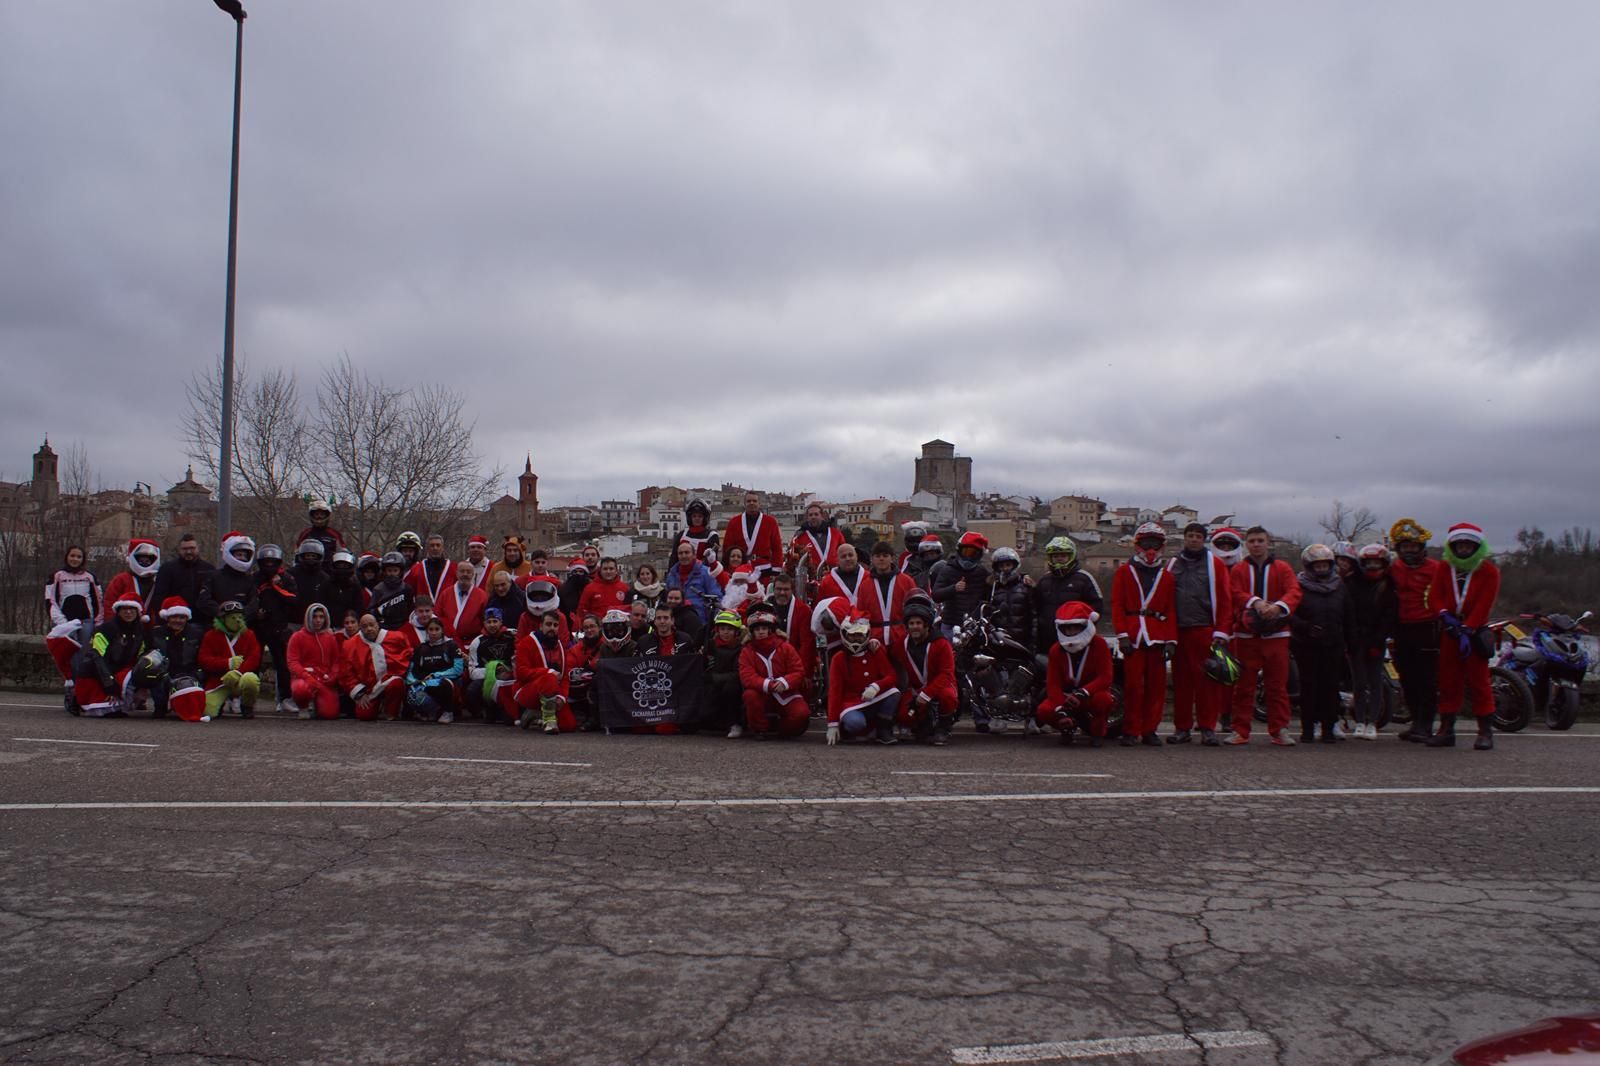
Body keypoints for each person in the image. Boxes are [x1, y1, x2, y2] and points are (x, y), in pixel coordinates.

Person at [1227, 526, 1302, 746]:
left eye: (1260, 540)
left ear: (1268, 543)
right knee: (1244, 685)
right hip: (1246, 635)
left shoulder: (1283, 568)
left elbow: (1294, 591)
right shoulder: (1239, 569)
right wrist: (1256, 602)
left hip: (1276, 634)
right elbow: (1234, 592)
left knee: (1277, 685)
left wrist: (1279, 607)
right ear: (1246, 544)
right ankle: (1240, 730)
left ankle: (1279, 730)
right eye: (1252, 541)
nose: (1256, 544)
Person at [1429, 523, 1501, 750]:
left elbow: (1484, 604)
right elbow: (1434, 596)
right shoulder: (1444, 567)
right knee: (1448, 681)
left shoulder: (1488, 571)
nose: (1463, 548)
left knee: (1479, 682)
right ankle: (1446, 729)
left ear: (1476, 546)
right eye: (1459, 544)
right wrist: (1444, 615)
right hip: (1450, 630)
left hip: (1474, 633)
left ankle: (1485, 731)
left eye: (1468, 545)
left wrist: (1468, 628)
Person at [1165, 523, 1233, 746]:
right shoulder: (1173, 564)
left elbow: (1225, 600)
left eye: (1198, 536)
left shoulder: (1215, 564)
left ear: (1204, 540)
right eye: (1190, 536)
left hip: (1205, 629)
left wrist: (1221, 631)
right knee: (1181, 683)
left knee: (1207, 683)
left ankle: (1207, 728)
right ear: (1184, 538)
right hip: (1179, 631)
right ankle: (1182, 728)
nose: (1193, 539)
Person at [1111, 523, 1177, 747]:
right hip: (1133, 635)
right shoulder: (1124, 572)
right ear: (1138, 545)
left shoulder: (1167, 577)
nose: (1151, 549)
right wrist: (1122, 635)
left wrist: (1171, 640)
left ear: (1162, 546)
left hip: (1158, 635)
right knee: (1133, 687)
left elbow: (1170, 611)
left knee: (1156, 688)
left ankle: (1150, 730)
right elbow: (1117, 605)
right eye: (1147, 543)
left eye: (1155, 544)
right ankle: (1130, 730)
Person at [1290, 545, 1356, 744]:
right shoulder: (1298, 586)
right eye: (1317, 566)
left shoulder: (1340, 586)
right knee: (1309, 687)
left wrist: (1351, 642)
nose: (1321, 569)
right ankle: (1308, 728)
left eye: (1324, 565)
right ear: (1309, 566)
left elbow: (1349, 615)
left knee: (1330, 687)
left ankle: (1329, 728)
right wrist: (1306, 627)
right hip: (1306, 644)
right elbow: (1290, 614)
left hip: (1333, 644)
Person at [1387, 518, 1442, 743]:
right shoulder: (1394, 568)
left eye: (1413, 547)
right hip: (1401, 627)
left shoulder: (1436, 568)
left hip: (1427, 627)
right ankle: (1415, 720)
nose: (1409, 551)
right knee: (1407, 677)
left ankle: (1426, 724)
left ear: (1421, 548)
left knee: (1426, 679)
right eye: (1405, 547)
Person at [1036, 602, 1116, 746]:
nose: (1071, 631)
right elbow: (1053, 684)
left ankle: (1097, 733)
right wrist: (1060, 709)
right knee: (1044, 710)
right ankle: (1067, 728)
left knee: (1104, 700)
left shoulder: (1099, 644)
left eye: (1075, 627)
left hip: (1090, 694)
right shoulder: (1056, 650)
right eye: (1067, 628)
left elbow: (1105, 677)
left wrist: (1084, 692)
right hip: (1067, 697)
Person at [826, 611, 900, 746]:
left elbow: (892, 676)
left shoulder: (875, 651)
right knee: (855, 723)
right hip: (851, 703)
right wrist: (833, 723)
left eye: (860, 635)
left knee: (894, 693)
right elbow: (835, 692)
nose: (856, 639)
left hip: (873, 698)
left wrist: (876, 686)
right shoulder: (839, 658)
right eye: (852, 635)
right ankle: (846, 728)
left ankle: (882, 729)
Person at [890, 594, 957, 744]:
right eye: (911, 623)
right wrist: (873, 644)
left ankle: (943, 728)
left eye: (919, 623)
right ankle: (923, 721)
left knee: (948, 697)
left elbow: (946, 673)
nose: (915, 626)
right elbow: (889, 656)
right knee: (904, 716)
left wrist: (926, 695)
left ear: (926, 624)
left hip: (941, 686)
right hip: (916, 689)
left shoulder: (941, 643)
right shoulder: (902, 644)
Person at [737, 605, 811, 738]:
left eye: (764, 628)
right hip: (761, 694)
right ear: (752, 632)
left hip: (786, 692)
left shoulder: (785, 647)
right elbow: (747, 677)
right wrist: (769, 685)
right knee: (750, 695)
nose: (761, 632)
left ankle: (781, 730)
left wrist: (784, 682)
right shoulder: (747, 651)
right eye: (757, 629)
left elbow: (798, 671)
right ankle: (760, 729)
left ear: (770, 630)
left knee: (801, 714)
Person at [1347, 543, 1396, 741]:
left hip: (1376, 640)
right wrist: (1352, 637)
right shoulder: (1353, 583)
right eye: (1369, 563)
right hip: (1356, 639)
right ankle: (1359, 720)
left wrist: (1378, 639)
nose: (1373, 567)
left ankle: (1372, 722)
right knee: (1359, 682)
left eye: (1377, 563)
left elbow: (1389, 616)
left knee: (1376, 681)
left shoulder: (1389, 585)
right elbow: (1349, 612)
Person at [72, 593, 150, 716]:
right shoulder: (105, 629)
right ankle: (76, 698)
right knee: (107, 710)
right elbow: (97, 658)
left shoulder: (141, 632)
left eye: (132, 609)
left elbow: (139, 659)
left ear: (138, 611)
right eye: (124, 609)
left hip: (117, 672)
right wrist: (109, 684)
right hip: (96, 674)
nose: (128, 612)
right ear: (118, 611)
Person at [1031, 536, 1105, 653]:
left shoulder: (1084, 578)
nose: (1059, 559)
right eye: (1055, 556)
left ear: (1071, 556)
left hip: (1076, 638)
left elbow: (1097, 606)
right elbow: (1035, 606)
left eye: (1063, 555)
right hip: (1047, 638)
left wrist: (1083, 627)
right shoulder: (1044, 580)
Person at [251, 544, 300, 713]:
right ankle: (248, 697)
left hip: (279, 626)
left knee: (283, 664)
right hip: (258, 627)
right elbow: (249, 598)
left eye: (273, 562)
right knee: (254, 662)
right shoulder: (254, 578)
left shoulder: (287, 578)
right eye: (266, 562)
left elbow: (294, 600)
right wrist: (255, 612)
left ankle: (285, 698)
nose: (269, 565)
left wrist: (278, 587)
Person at [198, 599, 263, 719]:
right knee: (207, 711)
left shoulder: (249, 635)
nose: (237, 620)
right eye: (233, 617)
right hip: (219, 681)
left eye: (240, 617)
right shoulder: (210, 635)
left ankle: (247, 705)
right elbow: (204, 660)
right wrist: (227, 663)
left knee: (251, 680)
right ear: (223, 619)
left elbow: (254, 657)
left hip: (240, 678)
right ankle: (220, 703)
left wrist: (238, 672)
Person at [147, 597, 208, 721]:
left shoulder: (197, 634)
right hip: (164, 674)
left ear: (187, 618)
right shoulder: (156, 633)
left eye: (181, 617)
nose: (178, 621)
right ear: (167, 618)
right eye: (174, 617)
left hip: (189, 674)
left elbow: (202, 657)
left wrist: (198, 674)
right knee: (154, 675)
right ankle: (160, 706)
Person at [344, 613, 413, 721]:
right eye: (365, 626)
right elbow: (346, 673)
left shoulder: (396, 637)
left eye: (371, 625)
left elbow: (409, 654)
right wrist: (359, 693)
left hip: (390, 681)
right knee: (364, 715)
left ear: (377, 625)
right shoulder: (350, 645)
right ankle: (378, 706)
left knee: (397, 684)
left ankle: (391, 711)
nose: (369, 629)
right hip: (369, 689)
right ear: (360, 628)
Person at [515, 610, 573, 733]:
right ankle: (549, 721)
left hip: (553, 691)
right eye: (548, 624)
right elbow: (521, 672)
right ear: (541, 626)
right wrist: (548, 672)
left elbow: (565, 677)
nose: (552, 628)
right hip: (527, 691)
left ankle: (535, 714)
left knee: (569, 725)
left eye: (555, 625)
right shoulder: (526, 643)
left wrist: (561, 697)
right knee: (549, 678)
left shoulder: (561, 646)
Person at [286, 603, 345, 720]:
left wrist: (333, 676)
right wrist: (306, 676)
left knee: (330, 714)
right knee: (300, 689)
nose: (318, 620)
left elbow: (336, 661)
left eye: (321, 617)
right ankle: (303, 706)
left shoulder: (330, 638)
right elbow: (292, 662)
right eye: (314, 617)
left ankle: (319, 705)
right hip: (305, 678)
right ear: (308, 617)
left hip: (324, 679)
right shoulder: (297, 637)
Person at [406, 616, 465, 723]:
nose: (433, 633)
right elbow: (411, 670)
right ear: (427, 631)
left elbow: (458, 669)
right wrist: (414, 682)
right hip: (425, 682)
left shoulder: (452, 645)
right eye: (431, 629)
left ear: (442, 630)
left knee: (443, 685)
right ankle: (429, 712)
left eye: (437, 629)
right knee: (412, 691)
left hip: (447, 682)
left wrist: (436, 675)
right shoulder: (420, 648)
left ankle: (448, 712)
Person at [465, 607, 519, 724]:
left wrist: (508, 671)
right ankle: (481, 711)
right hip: (487, 680)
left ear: (501, 622)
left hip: (510, 678)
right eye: (489, 622)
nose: (492, 625)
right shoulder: (477, 642)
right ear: (484, 623)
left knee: (508, 719)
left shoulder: (512, 636)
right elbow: (472, 672)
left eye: (495, 621)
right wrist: (493, 670)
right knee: (472, 690)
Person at [151, 533, 216, 629]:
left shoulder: (209, 569)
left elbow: (214, 595)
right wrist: (161, 620)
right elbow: (159, 597)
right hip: (174, 621)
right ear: (179, 550)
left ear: (198, 548)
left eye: (192, 548)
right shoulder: (167, 569)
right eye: (185, 549)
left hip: (203, 622)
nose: (188, 551)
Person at [930, 532, 990, 635]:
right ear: (959, 550)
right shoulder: (947, 570)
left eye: (974, 554)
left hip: (973, 626)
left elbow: (991, 595)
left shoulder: (982, 572)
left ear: (979, 555)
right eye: (966, 552)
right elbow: (935, 595)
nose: (969, 557)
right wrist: (953, 588)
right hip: (950, 623)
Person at [861, 541, 918, 647]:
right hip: (874, 640)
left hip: (902, 636)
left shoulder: (906, 581)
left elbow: (915, 608)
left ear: (892, 558)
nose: (881, 559)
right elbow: (861, 613)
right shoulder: (865, 585)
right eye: (877, 556)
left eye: (885, 555)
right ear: (872, 559)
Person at [200, 531, 260, 627]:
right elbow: (203, 600)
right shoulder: (213, 576)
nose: (242, 558)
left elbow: (254, 603)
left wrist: (240, 615)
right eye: (239, 554)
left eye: (245, 555)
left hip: (242, 626)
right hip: (216, 626)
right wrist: (221, 611)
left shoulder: (249, 580)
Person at [704, 610, 747, 738]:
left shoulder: (741, 648)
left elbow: (737, 674)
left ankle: (735, 724)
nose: (726, 632)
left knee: (730, 690)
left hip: (732, 686)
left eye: (729, 629)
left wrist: (714, 678)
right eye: (722, 629)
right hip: (713, 684)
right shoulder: (711, 645)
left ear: (736, 631)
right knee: (705, 714)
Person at [766, 571, 815, 680]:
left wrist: (803, 672)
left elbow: (806, 644)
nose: (782, 593)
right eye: (779, 589)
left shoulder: (803, 610)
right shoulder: (763, 607)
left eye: (786, 589)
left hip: (792, 663)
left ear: (792, 590)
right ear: (773, 589)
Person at [723, 492, 784, 578]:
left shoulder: (770, 522)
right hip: (740, 568)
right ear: (744, 504)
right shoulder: (734, 522)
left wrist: (776, 569)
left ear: (759, 503)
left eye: (754, 501)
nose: (751, 503)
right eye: (749, 501)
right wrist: (728, 568)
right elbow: (727, 547)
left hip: (764, 568)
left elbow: (777, 547)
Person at [99, 539, 159, 623]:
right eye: (141, 561)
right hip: (124, 625)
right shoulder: (121, 579)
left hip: (151, 625)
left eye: (147, 561)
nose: (144, 563)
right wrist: (111, 624)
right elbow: (109, 603)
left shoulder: (158, 581)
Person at [788, 503, 844, 591]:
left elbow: (843, 553)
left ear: (822, 516)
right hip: (810, 583)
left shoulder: (836, 533)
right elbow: (792, 559)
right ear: (807, 517)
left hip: (835, 579)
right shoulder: (799, 536)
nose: (813, 517)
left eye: (816, 514)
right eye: (810, 515)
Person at [985, 546, 1034, 642]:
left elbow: (1033, 614)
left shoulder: (1025, 586)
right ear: (997, 568)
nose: (1005, 568)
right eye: (1001, 566)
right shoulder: (992, 587)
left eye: (1008, 565)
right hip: (998, 638)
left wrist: (1033, 640)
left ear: (1014, 565)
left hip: (1021, 638)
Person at [665, 541, 722, 624]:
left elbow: (716, 598)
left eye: (687, 552)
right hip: (674, 621)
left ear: (694, 555)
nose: (683, 556)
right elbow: (665, 598)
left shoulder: (706, 573)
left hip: (699, 621)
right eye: (680, 553)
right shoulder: (672, 575)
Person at [46, 545, 101, 627]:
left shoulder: (90, 577)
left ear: (83, 559)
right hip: (63, 622)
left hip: (87, 621)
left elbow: (99, 600)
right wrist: (61, 621)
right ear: (67, 557)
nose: (75, 559)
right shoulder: (56, 576)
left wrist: (98, 622)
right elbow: (50, 601)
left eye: (79, 557)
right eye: (72, 556)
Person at [436, 560, 487, 646]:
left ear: (473, 574)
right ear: (456, 573)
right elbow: (437, 617)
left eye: (468, 572)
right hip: (448, 643)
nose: (465, 574)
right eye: (462, 571)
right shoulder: (445, 594)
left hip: (472, 644)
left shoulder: (482, 596)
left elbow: (485, 621)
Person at [321, 550, 368, 630]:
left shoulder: (354, 586)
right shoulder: (326, 584)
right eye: (339, 565)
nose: (342, 568)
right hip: (329, 627)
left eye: (345, 566)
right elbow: (321, 605)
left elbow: (359, 607)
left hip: (349, 627)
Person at [404, 534, 454, 606]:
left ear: (442, 548)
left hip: (446, 610)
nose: (435, 548)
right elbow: (407, 592)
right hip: (423, 611)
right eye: (432, 545)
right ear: (427, 548)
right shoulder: (416, 569)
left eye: (438, 545)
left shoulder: (453, 568)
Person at [369, 552, 414, 629]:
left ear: (400, 572)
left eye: (395, 570)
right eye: (389, 570)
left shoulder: (406, 588)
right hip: (384, 627)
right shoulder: (378, 589)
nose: (392, 573)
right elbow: (372, 610)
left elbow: (411, 609)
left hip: (403, 626)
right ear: (384, 572)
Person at [577, 557, 629, 623]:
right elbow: (581, 610)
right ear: (600, 571)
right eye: (605, 569)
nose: (608, 571)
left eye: (611, 569)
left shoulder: (624, 588)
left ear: (616, 571)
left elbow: (629, 610)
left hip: (620, 626)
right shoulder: (590, 588)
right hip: (597, 627)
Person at [674, 497, 720, 567]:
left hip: (703, 572)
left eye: (700, 516)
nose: (697, 518)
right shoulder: (681, 535)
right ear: (690, 518)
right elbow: (674, 558)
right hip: (682, 572)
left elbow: (711, 561)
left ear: (704, 518)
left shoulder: (712, 536)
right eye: (694, 516)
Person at [287, 540, 328, 616]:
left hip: (316, 617)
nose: (310, 559)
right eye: (308, 556)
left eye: (313, 556)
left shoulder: (324, 577)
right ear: (302, 556)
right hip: (294, 615)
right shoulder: (291, 574)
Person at [484, 567, 527, 635]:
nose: (500, 588)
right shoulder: (492, 599)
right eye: (496, 586)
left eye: (503, 584)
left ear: (510, 583)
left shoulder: (522, 598)